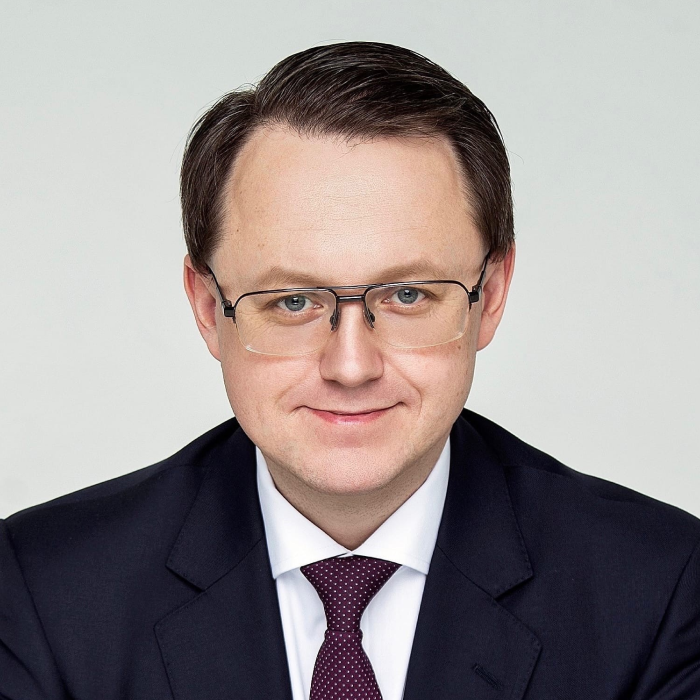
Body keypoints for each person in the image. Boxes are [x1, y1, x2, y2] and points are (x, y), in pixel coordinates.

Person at [1, 40, 698, 700]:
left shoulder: (663, 591)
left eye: (408, 295)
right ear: (209, 309)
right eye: (292, 301)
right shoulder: (41, 592)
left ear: (491, 297)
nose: (352, 366)